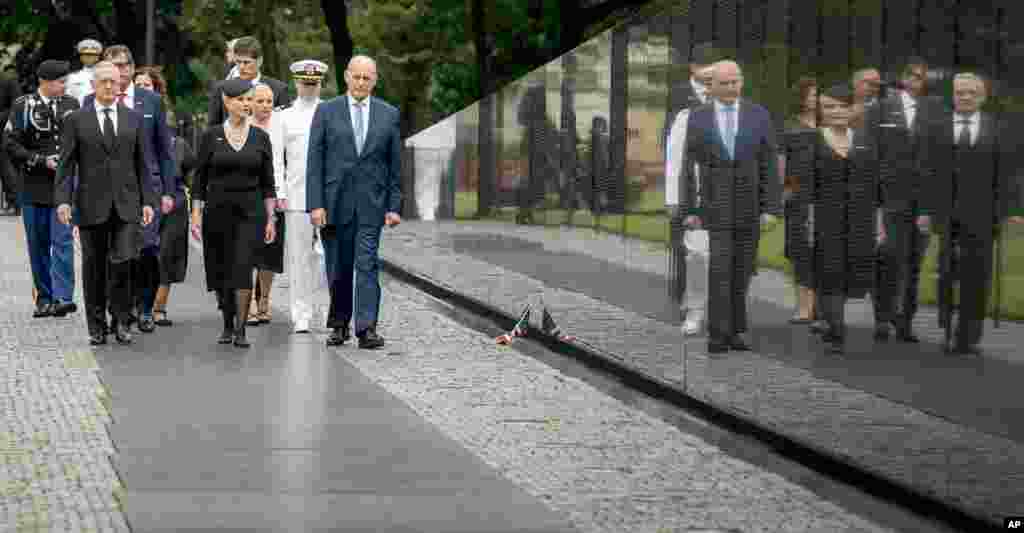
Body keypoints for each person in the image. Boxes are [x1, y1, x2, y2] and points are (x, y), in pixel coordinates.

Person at [917, 73, 1024, 355]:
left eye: (972, 93)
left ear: (983, 97)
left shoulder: (998, 128)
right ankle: (947, 325)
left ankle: (968, 335)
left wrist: (1012, 209)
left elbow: (1008, 173)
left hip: (983, 214)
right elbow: (926, 171)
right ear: (953, 95)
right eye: (961, 92)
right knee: (947, 273)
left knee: (977, 275)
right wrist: (925, 210)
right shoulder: (936, 128)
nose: (965, 97)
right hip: (945, 213)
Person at [55, 60, 156, 346]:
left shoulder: (133, 118)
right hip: (90, 204)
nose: (110, 86)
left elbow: (143, 164)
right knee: (94, 266)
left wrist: (148, 201)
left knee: (124, 261)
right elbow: (66, 165)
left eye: (114, 81)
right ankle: (96, 325)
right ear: (94, 85)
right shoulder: (76, 120)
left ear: (121, 84)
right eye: (104, 81)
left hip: (127, 204)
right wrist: (63, 201)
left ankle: (121, 320)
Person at [682, 60, 778, 354]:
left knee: (743, 270)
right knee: (720, 268)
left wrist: (770, 207)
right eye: (725, 83)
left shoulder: (758, 115)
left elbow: (769, 164)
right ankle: (717, 334)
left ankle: (737, 331)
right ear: (712, 86)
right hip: (715, 206)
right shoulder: (698, 118)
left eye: (736, 81)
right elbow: (689, 166)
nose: (731, 88)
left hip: (749, 206)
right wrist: (691, 209)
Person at [307, 55, 402, 350]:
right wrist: (315, 204)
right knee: (338, 267)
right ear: (347, 77)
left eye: (367, 78)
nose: (361, 83)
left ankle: (366, 328)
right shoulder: (327, 111)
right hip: (335, 203)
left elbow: (394, 164)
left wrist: (394, 205)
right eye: (356, 77)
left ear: (375, 81)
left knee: (367, 264)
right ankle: (338, 324)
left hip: (371, 204)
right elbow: (315, 160)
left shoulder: (388, 114)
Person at [86, 45, 176, 333]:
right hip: (107, 193)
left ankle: (145, 308)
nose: (121, 72)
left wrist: (167, 191)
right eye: (115, 66)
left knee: (147, 250)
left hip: (146, 189)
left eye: (125, 66)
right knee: (117, 256)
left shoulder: (149, 101)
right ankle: (119, 311)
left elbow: (164, 150)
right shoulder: (90, 102)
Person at [191, 78, 277, 347]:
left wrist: (271, 217)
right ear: (227, 102)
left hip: (250, 212)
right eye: (241, 99)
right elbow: (199, 180)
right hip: (217, 211)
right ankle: (227, 323)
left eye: (249, 99)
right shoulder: (211, 136)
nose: (246, 104)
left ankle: (240, 328)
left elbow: (268, 182)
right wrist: (196, 214)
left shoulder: (261, 137)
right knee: (221, 269)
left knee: (242, 267)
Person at [862, 57, 942, 343]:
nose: (914, 80)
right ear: (902, 77)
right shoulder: (880, 110)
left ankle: (905, 321)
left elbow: (939, 159)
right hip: (888, 200)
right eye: (910, 75)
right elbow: (870, 156)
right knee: (888, 259)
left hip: (922, 202)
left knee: (914, 263)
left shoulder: (935, 111)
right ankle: (882, 318)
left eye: (920, 76)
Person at [806, 83, 881, 355]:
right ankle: (836, 330)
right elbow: (803, 188)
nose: (837, 111)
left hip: (860, 220)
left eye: (842, 106)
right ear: (821, 111)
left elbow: (876, 183)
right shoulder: (812, 141)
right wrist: (808, 222)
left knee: (852, 275)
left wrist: (879, 221)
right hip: (826, 220)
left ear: (852, 110)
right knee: (830, 273)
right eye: (829, 107)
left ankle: (830, 320)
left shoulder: (865, 140)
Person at [3, 60, 79, 319]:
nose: (64, 86)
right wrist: (39, 160)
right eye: (60, 81)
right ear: (45, 82)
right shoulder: (23, 106)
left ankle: (63, 297)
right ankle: (44, 298)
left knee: (63, 242)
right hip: (34, 186)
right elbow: (11, 144)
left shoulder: (71, 105)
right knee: (38, 245)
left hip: (63, 189)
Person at [271, 59, 328, 334]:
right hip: (296, 195)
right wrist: (279, 192)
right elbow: (276, 159)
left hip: (328, 197)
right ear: (296, 83)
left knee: (328, 258)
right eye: (305, 84)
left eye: (313, 84)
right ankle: (301, 313)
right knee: (299, 259)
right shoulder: (284, 116)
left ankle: (328, 309)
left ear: (320, 84)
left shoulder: (330, 112)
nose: (309, 88)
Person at [665, 44, 716, 336]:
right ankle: (687, 296)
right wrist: (672, 194)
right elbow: (672, 146)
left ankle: (702, 301)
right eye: (703, 67)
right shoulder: (680, 98)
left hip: (713, 185)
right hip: (688, 180)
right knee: (685, 245)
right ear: (693, 69)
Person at [134, 66, 189, 327]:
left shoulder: (162, 116)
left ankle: (157, 306)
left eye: (147, 85)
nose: (141, 88)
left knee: (163, 253)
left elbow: (175, 158)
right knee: (140, 251)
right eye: (138, 83)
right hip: (139, 193)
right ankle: (139, 303)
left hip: (167, 194)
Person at [779, 77, 819, 324]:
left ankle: (820, 307)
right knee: (801, 253)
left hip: (826, 199)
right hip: (799, 200)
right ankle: (804, 307)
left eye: (818, 95)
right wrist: (784, 192)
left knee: (823, 254)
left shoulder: (829, 125)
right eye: (811, 94)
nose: (815, 99)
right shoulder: (789, 127)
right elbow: (782, 166)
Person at [246, 83, 285, 326]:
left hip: (277, 193)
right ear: (250, 103)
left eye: (269, 101)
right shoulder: (244, 126)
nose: (265, 106)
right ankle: (248, 300)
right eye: (260, 101)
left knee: (270, 251)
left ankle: (264, 299)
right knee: (248, 249)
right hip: (250, 194)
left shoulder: (282, 126)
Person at [207, 37, 289, 127]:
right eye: (238, 62)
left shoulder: (278, 89)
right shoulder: (220, 89)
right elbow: (213, 129)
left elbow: (285, 126)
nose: (241, 67)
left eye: (246, 62)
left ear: (259, 61)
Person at [0, 68, 23, 214]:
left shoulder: (8, 80)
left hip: (4, 130)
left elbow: (17, 106)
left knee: (6, 166)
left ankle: (14, 202)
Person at [65, 39, 103, 105]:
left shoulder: (105, 75)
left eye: (92, 55)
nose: (89, 57)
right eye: (86, 54)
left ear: (98, 57)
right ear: (81, 57)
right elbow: (68, 98)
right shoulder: (72, 77)